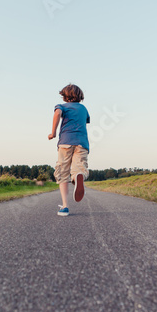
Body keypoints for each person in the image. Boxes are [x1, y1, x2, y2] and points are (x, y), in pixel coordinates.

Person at [48, 84, 90, 216]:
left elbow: (57, 114)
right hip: (82, 143)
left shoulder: (62, 106)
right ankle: (78, 177)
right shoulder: (84, 109)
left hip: (66, 142)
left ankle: (65, 206)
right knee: (79, 166)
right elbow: (85, 121)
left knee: (63, 172)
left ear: (65, 96)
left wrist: (53, 132)